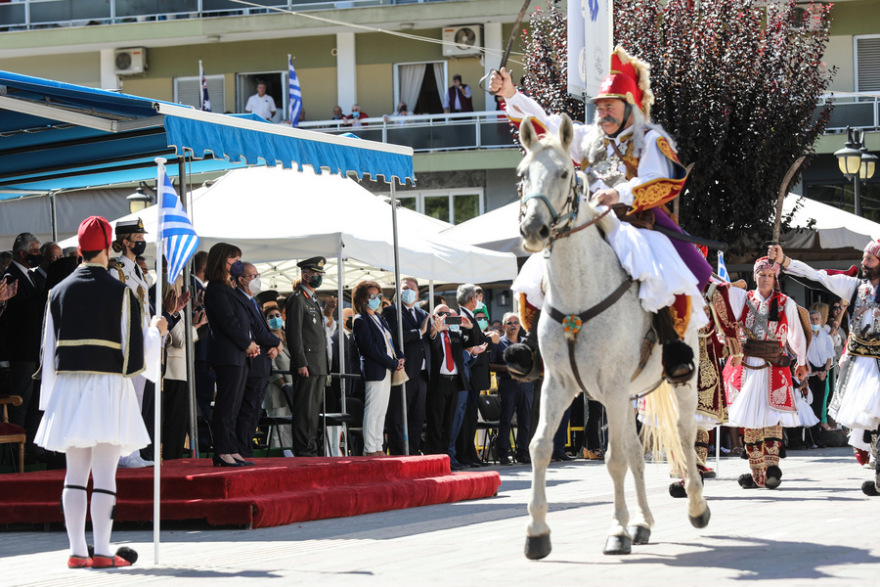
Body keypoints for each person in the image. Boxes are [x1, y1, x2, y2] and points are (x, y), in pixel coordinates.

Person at [489, 46, 712, 384]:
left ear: (630, 106)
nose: (603, 112)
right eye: (600, 106)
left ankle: (671, 347)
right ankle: (533, 346)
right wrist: (511, 94)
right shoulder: (588, 138)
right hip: (585, 222)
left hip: (633, 222)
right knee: (538, 267)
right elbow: (546, 125)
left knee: (653, 266)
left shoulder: (649, 139)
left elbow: (661, 180)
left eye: (611, 106)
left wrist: (619, 194)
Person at [34, 216, 167, 569]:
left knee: (75, 475)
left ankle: (78, 551)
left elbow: (48, 352)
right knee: (105, 475)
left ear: (80, 249)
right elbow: (135, 355)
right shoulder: (121, 292)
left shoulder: (57, 291)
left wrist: (51, 401)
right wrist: (157, 331)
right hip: (108, 388)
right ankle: (104, 551)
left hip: (69, 387)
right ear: (108, 247)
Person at [769, 242, 880, 495]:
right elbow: (818, 278)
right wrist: (785, 261)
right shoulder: (854, 286)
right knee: (870, 420)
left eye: (870, 260)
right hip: (862, 366)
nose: (863, 263)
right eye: (864, 258)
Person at [723, 255, 808, 490]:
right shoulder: (744, 298)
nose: (765, 279)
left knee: (773, 417)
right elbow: (723, 296)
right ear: (755, 276)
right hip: (749, 366)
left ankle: (772, 468)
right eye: (761, 274)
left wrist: (801, 361)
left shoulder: (785, 302)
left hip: (774, 365)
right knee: (750, 419)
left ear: (775, 277)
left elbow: (796, 334)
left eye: (770, 275)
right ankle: (757, 473)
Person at [203, 243, 259, 467]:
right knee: (226, 404)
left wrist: (250, 343)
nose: (238, 264)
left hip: (238, 353)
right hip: (227, 354)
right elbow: (228, 322)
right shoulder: (216, 288)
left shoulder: (228, 287)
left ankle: (231, 447)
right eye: (233, 259)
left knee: (235, 405)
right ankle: (222, 450)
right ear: (221, 261)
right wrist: (247, 343)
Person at [2, 232, 46, 465]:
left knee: (37, 400)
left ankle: (33, 446)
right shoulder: (11, 276)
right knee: (22, 400)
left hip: (36, 348)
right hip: (22, 350)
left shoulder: (34, 275)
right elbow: (18, 310)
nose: (38, 255)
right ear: (22, 253)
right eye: (35, 251)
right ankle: (17, 447)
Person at [231, 262, 281, 460]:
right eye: (252, 276)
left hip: (262, 364)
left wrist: (273, 346)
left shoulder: (252, 301)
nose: (256, 279)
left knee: (254, 412)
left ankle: (245, 449)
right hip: (252, 365)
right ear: (241, 279)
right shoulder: (239, 300)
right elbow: (257, 331)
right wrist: (276, 342)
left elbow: (263, 331)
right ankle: (242, 450)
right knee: (248, 410)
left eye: (257, 275)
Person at [352, 281, 405, 456]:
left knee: (382, 410)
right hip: (375, 370)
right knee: (373, 409)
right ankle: (369, 448)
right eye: (372, 296)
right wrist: (391, 363)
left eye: (379, 296)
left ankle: (378, 446)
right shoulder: (360, 320)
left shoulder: (380, 318)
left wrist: (400, 356)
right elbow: (370, 348)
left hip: (387, 370)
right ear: (363, 298)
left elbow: (392, 341)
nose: (377, 299)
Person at [284, 256, 330, 457]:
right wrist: (300, 362)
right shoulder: (297, 299)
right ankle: (303, 449)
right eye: (315, 274)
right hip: (307, 364)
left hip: (318, 364)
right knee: (304, 409)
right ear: (305, 275)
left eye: (320, 274)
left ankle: (311, 447)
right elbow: (294, 335)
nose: (319, 277)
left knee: (313, 410)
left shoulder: (312, 299)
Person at [424, 304, 477, 469]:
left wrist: (470, 327)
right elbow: (432, 343)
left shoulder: (455, 333)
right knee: (436, 422)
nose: (446, 316)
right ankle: (435, 459)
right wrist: (436, 330)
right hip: (438, 382)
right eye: (442, 313)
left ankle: (447, 459)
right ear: (435, 317)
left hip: (454, 382)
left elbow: (473, 343)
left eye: (448, 313)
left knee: (449, 422)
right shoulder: (432, 333)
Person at [382, 277, 431, 456]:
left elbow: (429, 339)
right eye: (404, 288)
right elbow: (395, 336)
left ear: (418, 294)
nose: (408, 291)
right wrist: (419, 332)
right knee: (398, 415)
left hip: (422, 373)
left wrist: (432, 333)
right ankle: (398, 452)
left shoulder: (423, 314)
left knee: (417, 416)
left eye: (412, 288)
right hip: (403, 372)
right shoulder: (391, 311)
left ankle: (413, 451)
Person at [490, 312, 534, 465]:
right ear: (504, 326)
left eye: (516, 322)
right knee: (506, 420)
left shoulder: (526, 343)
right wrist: (507, 367)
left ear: (520, 326)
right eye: (509, 323)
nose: (513, 325)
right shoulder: (498, 343)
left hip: (526, 385)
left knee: (525, 420)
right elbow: (491, 365)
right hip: (508, 384)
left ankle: (523, 452)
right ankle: (503, 453)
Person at [264, 305, 293, 449]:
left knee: (289, 428)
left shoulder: (288, 336)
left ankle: (289, 455)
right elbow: (272, 367)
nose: (275, 318)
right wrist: (283, 386)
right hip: (277, 390)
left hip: (292, 388)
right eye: (271, 317)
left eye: (277, 315)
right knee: (277, 430)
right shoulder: (267, 338)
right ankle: (275, 455)